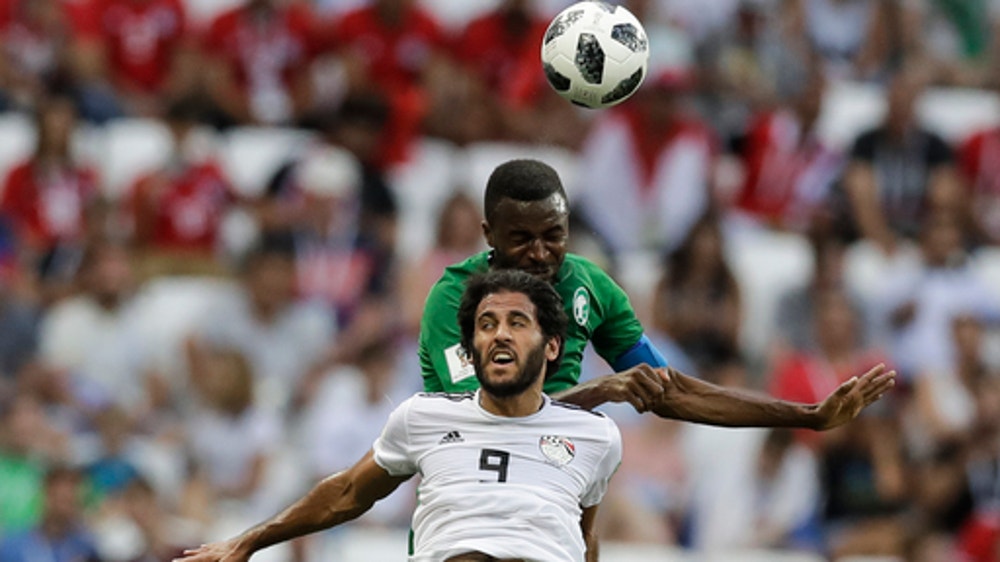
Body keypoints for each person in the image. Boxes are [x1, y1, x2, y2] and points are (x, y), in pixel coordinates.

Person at [172, 269, 623, 562]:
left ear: (552, 346)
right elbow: (347, 492)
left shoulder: (594, 436)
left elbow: (582, 537)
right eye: (487, 325)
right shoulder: (422, 418)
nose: (500, 336)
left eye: (517, 323)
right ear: (469, 348)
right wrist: (248, 542)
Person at [419, 158, 895, 428]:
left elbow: (672, 389)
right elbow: (488, 412)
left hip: (558, 516)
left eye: (554, 235)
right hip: (468, 512)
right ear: (488, 234)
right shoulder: (453, 299)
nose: (541, 254)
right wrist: (601, 389)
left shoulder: (589, 286)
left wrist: (807, 415)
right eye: (521, 238)